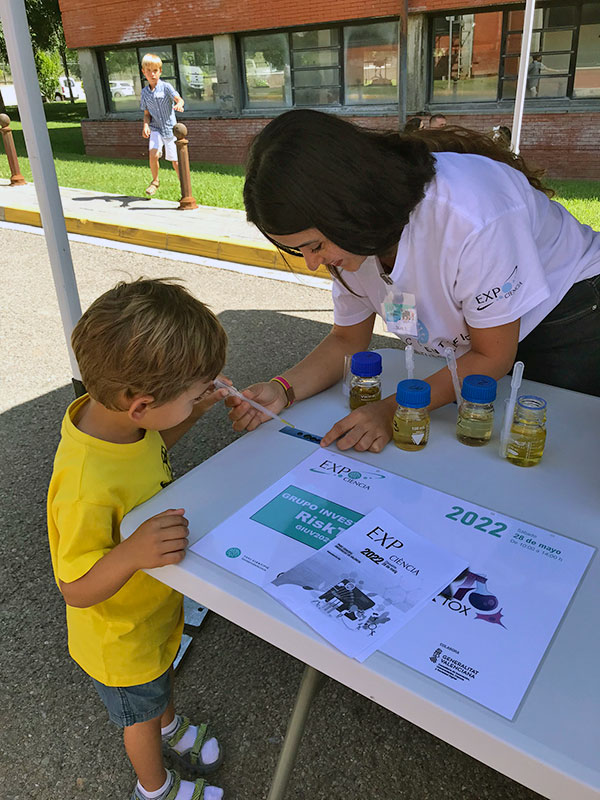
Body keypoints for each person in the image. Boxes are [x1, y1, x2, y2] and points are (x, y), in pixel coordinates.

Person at [230, 109, 600, 454]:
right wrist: (283, 389)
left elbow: (492, 355)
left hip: (567, 313)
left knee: (540, 448)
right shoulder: (350, 239)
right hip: (479, 350)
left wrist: (393, 409)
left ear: (351, 208)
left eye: (315, 246)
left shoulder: (470, 217)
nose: (313, 264)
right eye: (299, 251)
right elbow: (347, 339)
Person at [47, 278, 229, 800]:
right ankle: (155, 787)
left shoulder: (122, 427)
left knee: (159, 679)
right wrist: (130, 553)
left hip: (148, 615)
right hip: (119, 639)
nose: (197, 399)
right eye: (191, 394)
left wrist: (195, 409)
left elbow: (152, 448)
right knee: (138, 716)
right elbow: (75, 588)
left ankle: (168, 724)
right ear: (141, 404)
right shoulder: (85, 485)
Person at [140, 53, 184, 196]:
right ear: (144, 72)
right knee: (153, 154)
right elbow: (147, 114)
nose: (152, 74)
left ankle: (184, 185)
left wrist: (179, 104)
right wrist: (146, 126)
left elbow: (179, 99)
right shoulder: (144, 93)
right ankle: (155, 181)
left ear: (160, 71)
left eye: (155, 71)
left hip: (170, 129)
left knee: (175, 161)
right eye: (149, 71)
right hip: (155, 128)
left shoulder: (166, 87)